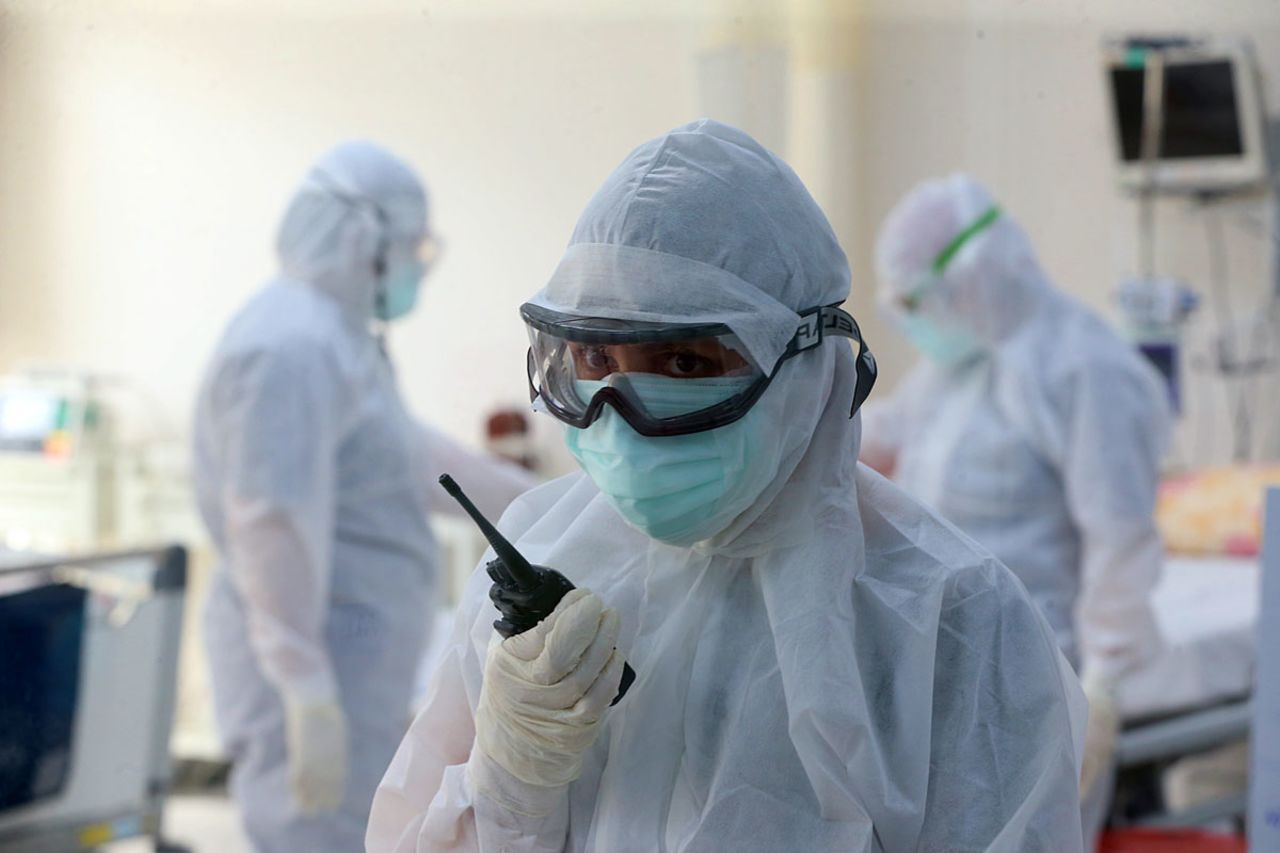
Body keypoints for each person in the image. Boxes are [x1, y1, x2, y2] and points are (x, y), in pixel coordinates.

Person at [366, 120, 1086, 852]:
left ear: (810, 366)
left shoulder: (950, 619)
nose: (623, 415)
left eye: (681, 363)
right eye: (592, 356)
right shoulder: (540, 552)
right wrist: (508, 782)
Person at [193, 141, 535, 852]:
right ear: (364, 240)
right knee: (318, 832)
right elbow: (271, 522)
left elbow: (407, 457)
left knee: (357, 829)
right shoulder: (289, 347)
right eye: (413, 245)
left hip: (350, 655)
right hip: (318, 660)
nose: (419, 264)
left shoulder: (333, 337)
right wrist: (305, 687)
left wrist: (547, 502)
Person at [860, 174, 1171, 832]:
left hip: (1035, 681)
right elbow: (881, 437)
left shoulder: (1088, 369)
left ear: (972, 274)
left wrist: (1104, 687)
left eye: (919, 299)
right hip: (924, 664)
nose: (916, 318)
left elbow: (1119, 538)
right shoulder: (957, 366)